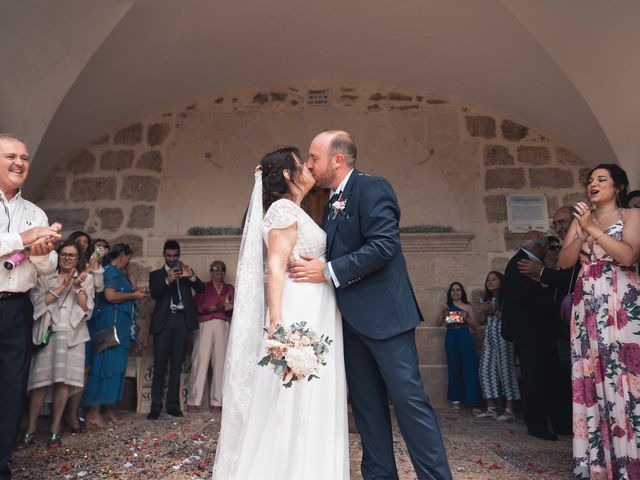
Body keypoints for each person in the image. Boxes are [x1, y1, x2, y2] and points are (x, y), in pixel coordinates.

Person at [289, 131, 451, 479]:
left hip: (386, 319)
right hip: (350, 323)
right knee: (366, 408)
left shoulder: (373, 187)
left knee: (409, 404)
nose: (309, 164)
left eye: (314, 158)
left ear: (338, 159)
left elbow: (383, 246)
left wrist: (329, 270)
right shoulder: (332, 202)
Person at [213, 147, 349, 479]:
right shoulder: (283, 209)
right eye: (303, 163)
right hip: (300, 311)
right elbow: (274, 266)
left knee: (307, 393)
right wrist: (277, 322)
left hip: (315, 308)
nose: (309, 167)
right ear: (288, 175)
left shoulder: (294, 210)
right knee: (295, 395)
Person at [559, 164, 640, 478]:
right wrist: (580, 232)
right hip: (587, 308)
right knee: (590, 376)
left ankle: (629, 463)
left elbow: (627, 256)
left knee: (624, 378)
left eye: (601, 179)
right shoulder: (582, 219)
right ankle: (598, 464)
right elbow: (566, 262)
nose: (593, 183)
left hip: (621, 304)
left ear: (618, 186)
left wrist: (593, 229)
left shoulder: (632, 217)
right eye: (590, 180)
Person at [0, 133, 60, 480]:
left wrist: (41, 255)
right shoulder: (29, 225)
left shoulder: (35, 212)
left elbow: (49, 269)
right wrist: (22, 239)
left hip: (17, 309)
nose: (19, 163)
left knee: (10, 390)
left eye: (24, 158)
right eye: (11, 156)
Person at [18, 240, 94, 451]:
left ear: (78, 259)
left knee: (63, 383)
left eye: (72, 255)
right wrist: (61, 285)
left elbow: (87, 310)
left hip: (72, 336)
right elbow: (37, 303)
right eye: (63, 254)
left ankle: (54, 430)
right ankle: (30, 429)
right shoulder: (45, 277)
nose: (67, 258)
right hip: (47, 333)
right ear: (58, 257)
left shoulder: (85, 279)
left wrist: (77, 287)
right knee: (38, 383)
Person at [502, 231, 566, 441]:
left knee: (549, 378)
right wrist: (555, 306)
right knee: (534, 380)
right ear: (538, 247)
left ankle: (559, 422)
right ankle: (537, 425)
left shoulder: (530, 262)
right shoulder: (521, 263)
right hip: (530, 334)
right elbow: (525, 298)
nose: (549, 251)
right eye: (547, 247)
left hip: (540, 334)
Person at [81, 243, 147, 426]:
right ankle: (94, 411)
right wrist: (133, 295)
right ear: (123, 256)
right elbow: (110, 296)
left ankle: (108, 408)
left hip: (121, 326)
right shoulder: (110, 271)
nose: (128, 262)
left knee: (117, 368)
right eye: (128, 258)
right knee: (105, 366)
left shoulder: (121, 274)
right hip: (111, 325)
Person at [147, 240, 204, 419]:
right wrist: (167, 280)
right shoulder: (156, 274)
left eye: (175, 256)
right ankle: (155, 406)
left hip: (181, 321)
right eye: (169, 256)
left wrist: (192, 276)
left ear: (179, 255)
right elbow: (155, 293)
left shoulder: (186, 273)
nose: (172, 259)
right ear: (164, 254)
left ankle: (173, 405)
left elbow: (201, 289)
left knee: (177, 364)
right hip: (164, 321)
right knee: (160, 365)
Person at [186, 260, 234, 413]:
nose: (218, 272)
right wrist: (212, 308)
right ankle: (194, 400)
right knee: (200, 360)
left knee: (220, 362)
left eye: (221, 269)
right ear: (211, 271)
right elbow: (196, 307)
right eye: (215, 269)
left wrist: (227, 306)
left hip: (223, 324)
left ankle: (217, 401)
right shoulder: (203, 287)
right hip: (205, 324)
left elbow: (234, 306)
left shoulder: (229, 288)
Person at [475, 271, 520, 421]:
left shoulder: (506, 299)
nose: (490, 282)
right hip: (490, 339)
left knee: (506, 371)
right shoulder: (488, 299)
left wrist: (493, 310)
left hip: (504, 338)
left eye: (494, 279)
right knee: (485, 370)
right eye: (488, 280)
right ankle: (491, 408)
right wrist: (482, 311)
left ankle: (509, 409)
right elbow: (480, 322)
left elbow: (507, 319)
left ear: (501, 281)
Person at [436, 282, 481, 414]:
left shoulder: (467, 307)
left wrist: (465, 318)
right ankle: (456, 401)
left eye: (458, 290)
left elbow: (475, 326)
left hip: (464, 336)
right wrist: (442, 312)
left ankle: (474, 402)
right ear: (450, 293)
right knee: (453, 367)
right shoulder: (447, 306)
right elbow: (438, 323)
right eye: (453, 290)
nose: (455, 293)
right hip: (451, 336)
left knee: (470, 367)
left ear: (462, 292)